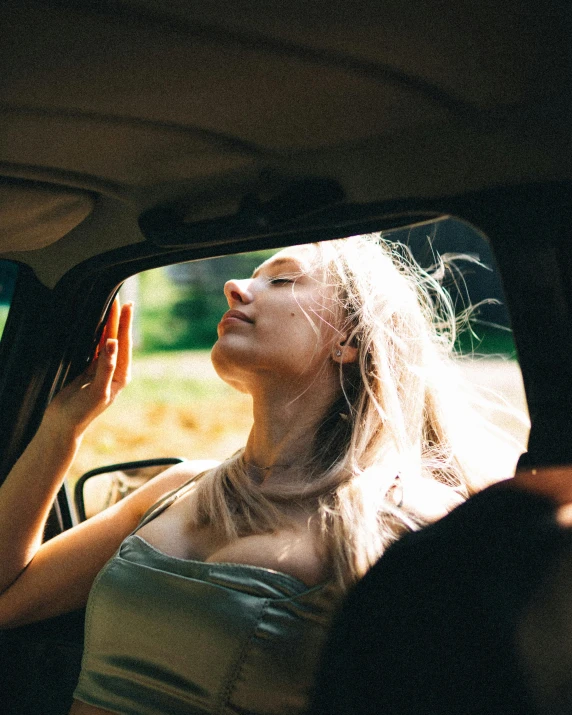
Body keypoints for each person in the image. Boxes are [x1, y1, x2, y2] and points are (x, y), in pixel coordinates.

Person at [0, 235, 512, 715]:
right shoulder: (174, 490)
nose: (235, 287)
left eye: (283, 279)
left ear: (349, 341)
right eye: (249, 276)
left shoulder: (404, 522)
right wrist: (62, 428)